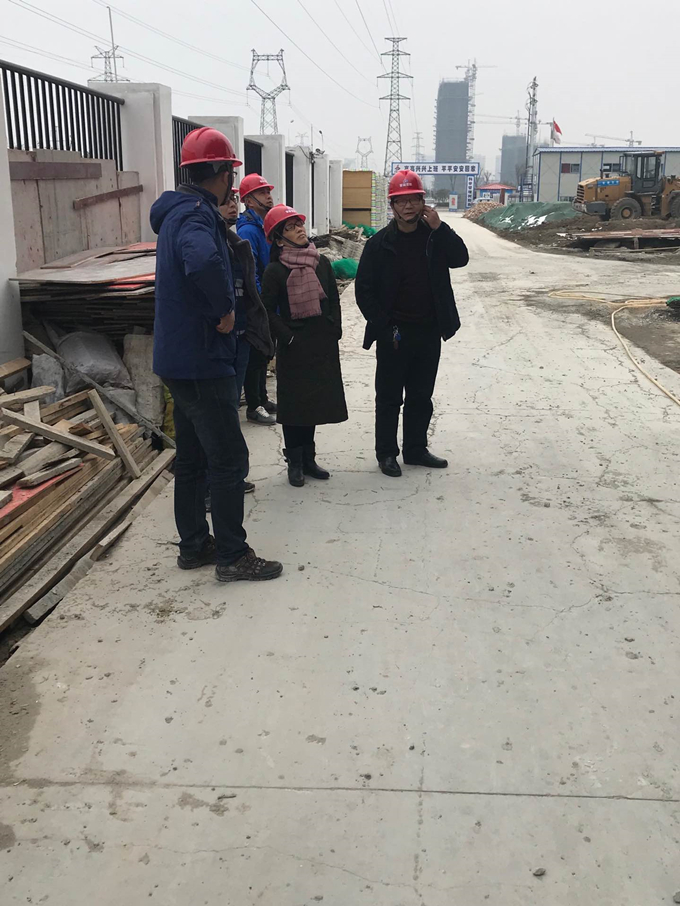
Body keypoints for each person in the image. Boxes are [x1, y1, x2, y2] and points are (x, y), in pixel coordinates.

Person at [151, 127, 282, 582]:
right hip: (203, 359)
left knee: (192, 458)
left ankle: (194, 546)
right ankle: (232, 555)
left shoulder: (177, 213)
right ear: (224, 173)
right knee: (227, 459)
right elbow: (204, 262)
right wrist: (224, 309)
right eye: (232, 174)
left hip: (178, 359)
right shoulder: (195, 217)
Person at [355, 169, 469, 478]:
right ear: (392, 206)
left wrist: (441, 228)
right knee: (389, 397)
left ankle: (416, 449)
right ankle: (386, 453)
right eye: (401, 201)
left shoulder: (434, 236)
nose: (408, 207)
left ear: (423, 202)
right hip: (394, 334)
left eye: (414, 200)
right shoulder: (378, 244)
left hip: (428, 330)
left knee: (421, 396)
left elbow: (460, 258)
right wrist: (384, 325)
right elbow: (363, 290)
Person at [260, 204, 348, 487]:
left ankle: (309, 459)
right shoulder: (275, 271)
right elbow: (266, 310)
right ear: (278, 239)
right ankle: (295, 462)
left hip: (321, 343)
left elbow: (333, 299)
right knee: (294, 407)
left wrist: (334, 329)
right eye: (290, 227)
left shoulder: (320, 262)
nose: (299, 229)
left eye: (298, 224)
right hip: (294, 345)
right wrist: (288, 337)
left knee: (314, 405)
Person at [236, 173, 277, 426]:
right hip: (257, 302)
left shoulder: (264, 226)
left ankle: (263, 398)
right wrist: (262, 301)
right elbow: (252, 271)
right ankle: (254, 405)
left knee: (264, 353)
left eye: (268, 191)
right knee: (256, 352)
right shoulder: (249, 230)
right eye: (262, 193)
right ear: (249, 201)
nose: (268, 196)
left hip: (267, 300)